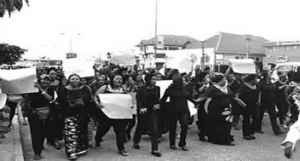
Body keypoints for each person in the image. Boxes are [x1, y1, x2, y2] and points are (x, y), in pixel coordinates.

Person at [196, 73, 242, 146]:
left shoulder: (226, 88)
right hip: (217, 109)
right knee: (219, 124)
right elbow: (204, 96)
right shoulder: (213, 88)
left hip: (227, 109)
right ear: (220, 80)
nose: (225, 80)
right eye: (224, 79)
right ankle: (219, 139)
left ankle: (226, 138)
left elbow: (231, 96)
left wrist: (239, 101)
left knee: (227, 124)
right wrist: (195, 101)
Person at [58, 74, 93, 160]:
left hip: (82, 114)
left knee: (81, 132)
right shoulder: (64, 90)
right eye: (73, 79)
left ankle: (80, 149)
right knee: (71, 133)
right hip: (69, 114)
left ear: (79, 80)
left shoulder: (84, 89)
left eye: (77, 79)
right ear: (69, 80)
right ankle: (71, 152)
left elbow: (89, 100)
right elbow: (60, 102)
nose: (75, 80)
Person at [94, 74, 129, 156]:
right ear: (112, 80)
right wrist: (97, 104)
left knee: (120, 131)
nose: (119, 80)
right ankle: (98, 139)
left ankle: (121, 149)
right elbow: (95, 96)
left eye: (120, 79)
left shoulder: (123, 88)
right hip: (107, 114)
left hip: (119, 114)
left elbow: (127, 99)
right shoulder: (105, 87)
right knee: (103, 129)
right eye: (117, 78)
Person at [160, 75, 195, 151]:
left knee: (185, 125)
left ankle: (182, 143)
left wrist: (195, 102)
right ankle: (172, 143)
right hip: (173, 110)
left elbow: (188, 97)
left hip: (183, 110)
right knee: (172, 127)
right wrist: (160, 106)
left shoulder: (184, 88)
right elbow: (163, 99)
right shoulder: (170, 89)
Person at [25, 74, 55, 160]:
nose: (45, 81)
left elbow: (50, 99)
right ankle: (37, 153)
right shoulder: (32, 90)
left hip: (47, 114)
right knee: (35, 133)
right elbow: (27, 101)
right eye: (43, 79)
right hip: (34, 114)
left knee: (44, 132)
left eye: (47, 80)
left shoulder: (51, 90)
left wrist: (41, 89)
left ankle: (40, 145)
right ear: (39, 81)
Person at [133, 74, 162, 157]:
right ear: (148, 80)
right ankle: (136, 141)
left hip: (153, 110)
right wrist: (141, 108)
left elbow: (157, 99)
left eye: (155, 79)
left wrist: (158, 104)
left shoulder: (157, 88)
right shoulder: (142, 89)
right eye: (153, 79)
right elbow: (139, 100)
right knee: (140, 127)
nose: (154, 81)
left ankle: (154, 149)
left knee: (154, 129)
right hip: (143, 111)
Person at [236, 74, 260, 140]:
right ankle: (246, 134)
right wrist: (240, 102)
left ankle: (251, 132)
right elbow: (237, 95)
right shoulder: (244, 86)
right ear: (252, 79)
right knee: (246, 119)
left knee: (256, 118)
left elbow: (259, 93)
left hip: (255, 104)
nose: (257, 80)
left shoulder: (256, 86)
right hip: (246, 105)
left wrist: (259, 99)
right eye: (255, 79)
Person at [122, 75, 138, 142]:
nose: (132, 81)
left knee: (133, 122)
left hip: (132, 105)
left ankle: (127, 131)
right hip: (124, 105)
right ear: (126, 81)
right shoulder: (122, 87)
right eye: (130, 80)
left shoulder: (134, 87)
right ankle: (123, 135)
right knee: (124, 122)